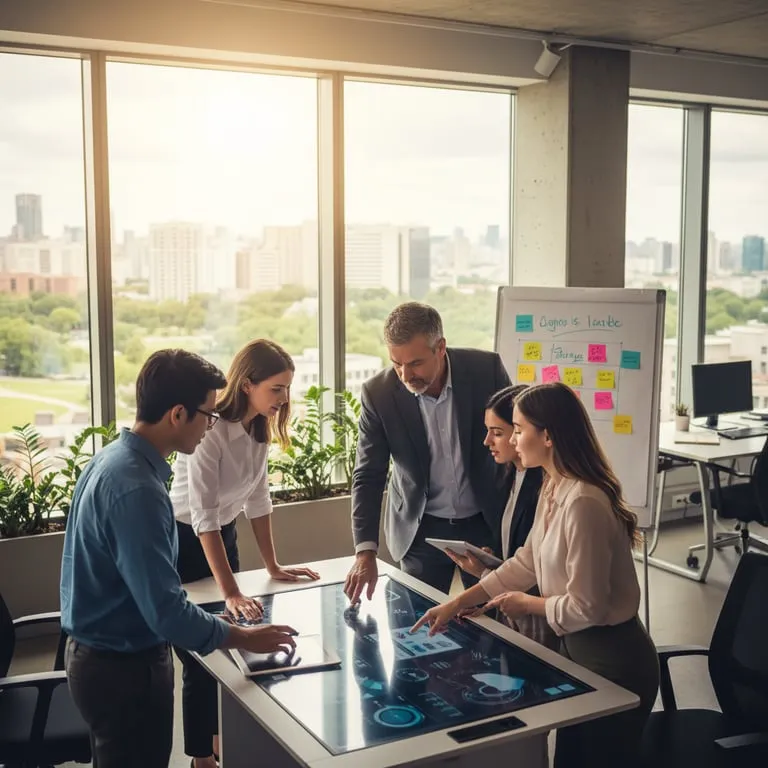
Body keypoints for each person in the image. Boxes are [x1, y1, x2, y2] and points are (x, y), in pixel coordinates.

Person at [60, 349, 297, 768]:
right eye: (207, 415)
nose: (211, 425)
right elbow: (167, 613)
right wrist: (244, 637)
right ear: (177, 414)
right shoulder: (139, 491)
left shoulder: (112, 462)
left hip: (100, 657)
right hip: (123, 670)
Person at [411, 382, 660, 768]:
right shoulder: (553, 485)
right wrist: (458, 602)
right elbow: (526, 561)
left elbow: (587, 607)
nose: (512, 438)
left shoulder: (583, 503)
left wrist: (526, 603)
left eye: (519, 428)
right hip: (578, 652)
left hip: (614, 658)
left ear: (547, 436)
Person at [170, 339, 320, 768]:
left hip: (222, 538)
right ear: (248, 384)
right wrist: (232, 592)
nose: (284, 398)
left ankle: (220, 741)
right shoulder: (212, 430)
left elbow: (258, 500)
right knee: (202, 654)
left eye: (288, 388)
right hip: (184, 542)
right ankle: (202, 758)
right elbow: (203, 518)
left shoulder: (257, 427)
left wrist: (272, 565)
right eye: (276, 389)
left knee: (230, 651)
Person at [344, 301, 512, 602]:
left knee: (495, 625)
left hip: (486, 523)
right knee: (415, 630)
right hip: (420, 530)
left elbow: (517, 446)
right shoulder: (378, 393)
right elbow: (369, 474)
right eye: (397, 364)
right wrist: (365, 551)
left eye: (416, 363)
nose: (406, 375)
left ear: (441, 347)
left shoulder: (486, 371)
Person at [443, 384, 556, 649]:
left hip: (541, 616)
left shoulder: (549, 487)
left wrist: (484, 573)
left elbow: (534, 569)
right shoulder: (505, 477)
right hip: (516, 608)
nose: (487, 441)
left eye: (499, 433)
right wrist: (484, 566)